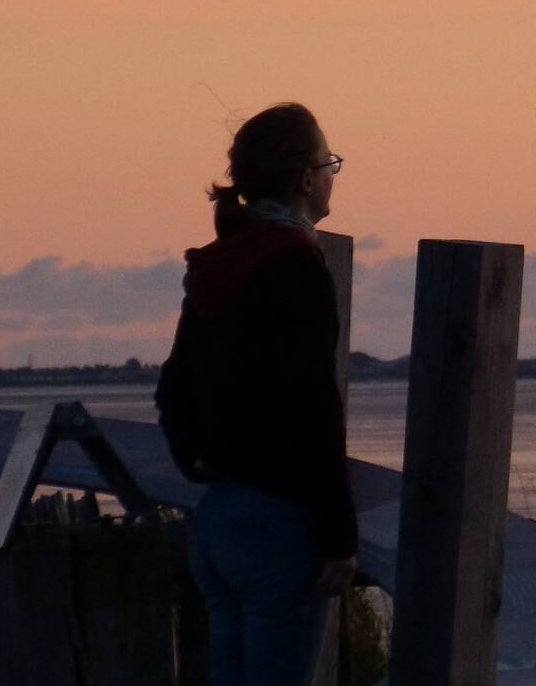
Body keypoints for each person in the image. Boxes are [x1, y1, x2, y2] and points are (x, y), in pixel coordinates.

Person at [155, 102, 357, 686]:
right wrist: (338, 535)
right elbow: (314, 408)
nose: (331, 176)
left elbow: (172, 386)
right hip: (277, 523)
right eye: (330, 164)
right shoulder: (296, 267)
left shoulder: (220, 265)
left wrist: (197, 460)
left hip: (218, 515)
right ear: (305, 178)